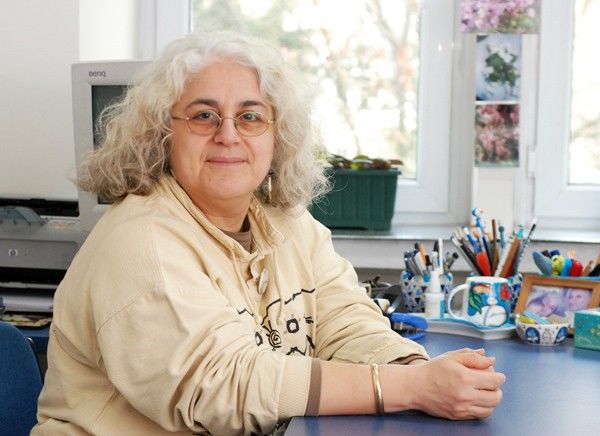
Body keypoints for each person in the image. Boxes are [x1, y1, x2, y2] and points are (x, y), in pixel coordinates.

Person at [33, 31, 504, 435]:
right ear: (163, 133)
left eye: (251, 116)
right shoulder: (140, 241)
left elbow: (345, 321)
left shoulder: (286, 223)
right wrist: (409, 388)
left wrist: (418, 371)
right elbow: (225, 387)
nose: (228, 134)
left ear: (278, 137)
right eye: (203, 115)